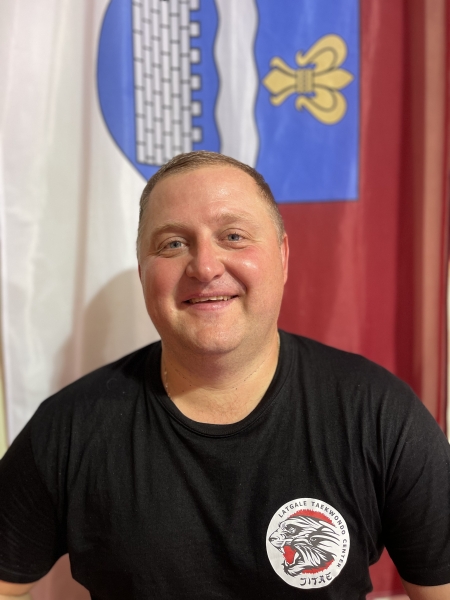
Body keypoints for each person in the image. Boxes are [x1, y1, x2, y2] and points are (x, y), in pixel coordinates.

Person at [0, 151, 449, 600]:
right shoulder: (70, 427)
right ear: (143, 272)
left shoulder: (378, 414)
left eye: (233, 236)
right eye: (173, 244)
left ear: (283, 256)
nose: (205, 267)